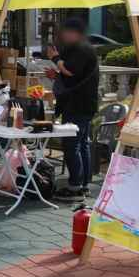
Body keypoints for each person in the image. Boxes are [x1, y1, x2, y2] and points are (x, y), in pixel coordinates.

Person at [44, 18, 99, 200]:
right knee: (81, 144)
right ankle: (82, 184)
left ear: (76, 33)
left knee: (72, 145)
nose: (63, 36)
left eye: (66, 32)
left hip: (78, 105)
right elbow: (73, 77)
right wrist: (56, 75)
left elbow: (70, 70)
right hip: (81, 104)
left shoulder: (83, 49)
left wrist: (55, 58)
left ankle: (76, 186)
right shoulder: (82, 49)